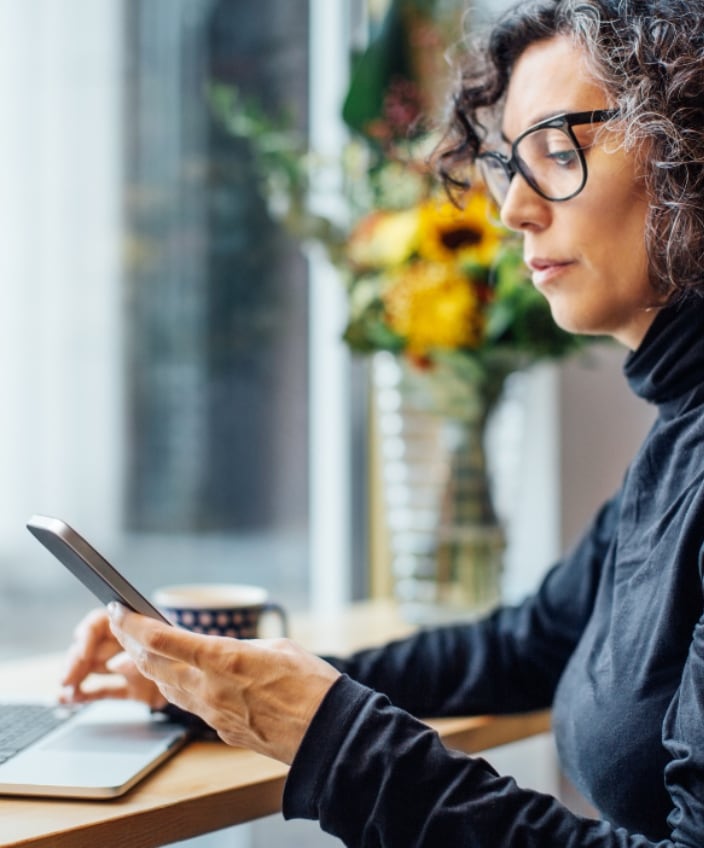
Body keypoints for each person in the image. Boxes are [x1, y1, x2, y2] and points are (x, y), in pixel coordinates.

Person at [61, 0, 704, 844]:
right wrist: (234, 684)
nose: (512, 210)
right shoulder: (677, 431)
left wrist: (332, 736)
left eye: (557, 151)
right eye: (512, 164)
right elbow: (528, 644)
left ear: (686, 147)